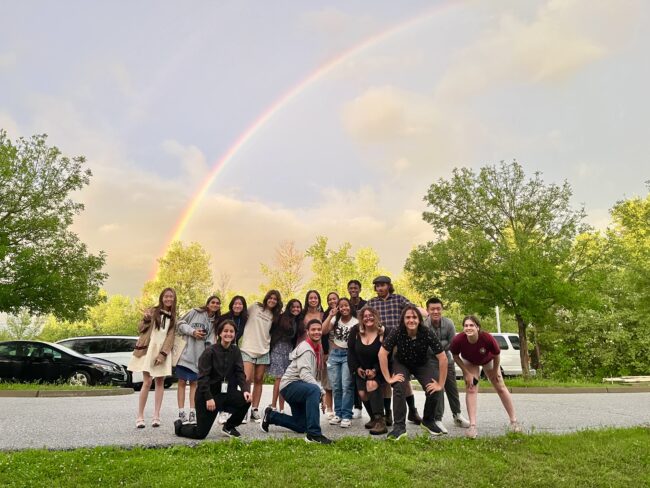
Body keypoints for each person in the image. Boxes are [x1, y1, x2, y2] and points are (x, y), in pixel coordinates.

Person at [379, 305, 448, 440]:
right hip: (402, 363)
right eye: (408, 317)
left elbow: (443, 358)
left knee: (434, 388)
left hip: (422, 364)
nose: (411, 320)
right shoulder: (397, 331)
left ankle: (428, 420)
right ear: (403, 320)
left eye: (414, 317)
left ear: (419, 319)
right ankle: (399, 427)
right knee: (399, 386)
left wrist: (441, 384)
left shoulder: (427, 332)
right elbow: (382, 353)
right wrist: (388, 378)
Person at [174, 320, 252, 439]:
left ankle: (229, 426)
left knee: (245, 400)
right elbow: (203, 378)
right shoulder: (209, 352)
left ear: (235, 334)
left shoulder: (235, 351)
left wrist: (245, 389)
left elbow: (239, 372)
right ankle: (179, 428)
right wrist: (209, 398)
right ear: (220, 333)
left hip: (225, 394)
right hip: (207, 396)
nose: (228, 334)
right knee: (200, 434)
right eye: (225, 331)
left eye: (231, 331)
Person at [260, 319, 332, 444]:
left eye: (319, 329)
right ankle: (314, 435)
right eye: (313, 330)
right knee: (314, 390)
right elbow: (305, 375)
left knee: (302, 425)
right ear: (307, 332)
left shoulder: (316, 347)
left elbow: (310, 376)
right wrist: (321, 392)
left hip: (300, 388)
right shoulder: (306, 348)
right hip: (290, 386)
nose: (317, 332)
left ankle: (271, 416)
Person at [451, 315, 521, 439]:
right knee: (471, 388)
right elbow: (455, 356)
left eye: (471, 325)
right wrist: (466, 372)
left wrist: (495, 371)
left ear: (478, 327)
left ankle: (514, 422)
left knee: (500, 387)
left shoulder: (487, 338)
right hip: (470, 362)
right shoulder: (458, 340)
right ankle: (472, 426)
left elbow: (496, 355)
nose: (468, 328)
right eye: (466, 325)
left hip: (488, 360)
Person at [367, 276, 421, 426]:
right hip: (381, 346)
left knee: (404, 379)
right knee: (385, 381)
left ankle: (412, 410)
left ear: (389, 286)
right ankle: (387, 414)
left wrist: (426, 314)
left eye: (383, 285)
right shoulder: (372, 303)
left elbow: (413, 310)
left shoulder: (398, 299)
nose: (380, 288)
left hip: (399, 344)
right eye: (377, 286)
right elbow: (364, 318)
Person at [128, 288, 177, 429]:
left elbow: (170, 337)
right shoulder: (152, 311)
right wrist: (146, 319)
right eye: (166, 296)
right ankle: (140, 416)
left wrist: (163, 354)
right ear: (162, 298)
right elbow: (140, 328)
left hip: (161, 351)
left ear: (174, 299)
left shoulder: (173, 317)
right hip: (148, 349)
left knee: (160, 382)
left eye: (171, 297)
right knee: (147, 381)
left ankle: (156, 416)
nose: (168, 299)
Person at [423, 297, 470, 433]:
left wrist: (440, 351)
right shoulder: (424, 326)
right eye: (433, 309)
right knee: (439, 388)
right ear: (428, 311)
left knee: (452, 388)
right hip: (431, 362)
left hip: (447, 360)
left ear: (441, 309)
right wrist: (438, 351)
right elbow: (425, 347)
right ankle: (438, 419)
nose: (436, 311)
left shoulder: (449, 323)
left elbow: (452, 343)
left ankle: (457, 415)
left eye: (438, 309)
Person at [175, 295, 221, 425]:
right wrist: (192, 331)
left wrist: (209, 354)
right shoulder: (195, 312)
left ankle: (192, 412)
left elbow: (211, 340)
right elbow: (180, 323)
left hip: (199, 358)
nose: (215, 304)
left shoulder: (214, 321)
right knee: (182, 382)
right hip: (186, 353)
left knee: (195, 384)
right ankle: (181, 412)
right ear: (207, 303)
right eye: (213, 302)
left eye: (218, 303)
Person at [240, 289, 283, 422]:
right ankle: (242, 409)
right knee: (246, 379)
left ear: (277, 302)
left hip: (264, 349)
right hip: (248, 348)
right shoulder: (255, 307)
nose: (272, 300)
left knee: (259, 379)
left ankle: (255, 409)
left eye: (275, 299)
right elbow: (240, 316)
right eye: (270, 298)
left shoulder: (275, 316)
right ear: (266, 298)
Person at [347, 306, 387, 435]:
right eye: (365, 316)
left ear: (376, 317)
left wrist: (375, 370)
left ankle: (380, 421)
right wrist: (357, 368)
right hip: (361, 368)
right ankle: (373, 418)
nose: (368, 318)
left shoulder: (383, 332)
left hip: (379, 368)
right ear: (361, 319)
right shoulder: (356, 331)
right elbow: (351, 352)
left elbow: (386, 355)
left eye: (371, 315)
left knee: (371, 384)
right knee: (362, 394)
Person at [323, 297, 357, 428]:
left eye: (346, 305)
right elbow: (324, 331)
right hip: (334, 355)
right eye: (341, 306)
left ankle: (347, 415)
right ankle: (338, 414)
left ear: (350, 307)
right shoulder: (335, 319)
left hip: (348, 355)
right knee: (336, 386)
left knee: (347, 385)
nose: (344, 308)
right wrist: (331, 315)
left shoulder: (356, 322)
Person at [269, 298, 302, 412]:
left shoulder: (297, 321)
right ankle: (274, 406)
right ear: (289, 308)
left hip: (289, 351)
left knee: (285, 379)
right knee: (279, 378)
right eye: (293, 307)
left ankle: (282, 408)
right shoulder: (282, 318)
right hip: (278, 348)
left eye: (298, 307)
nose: (296, 309)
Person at [347, 279, 366, 419]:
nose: (353, 290)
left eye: (355, 288)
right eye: (351, 288)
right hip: (351, 343)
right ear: (348, 290)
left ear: (360, 289)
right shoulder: (345, 304)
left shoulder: (366, 304)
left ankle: (374, 407)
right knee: (354, 374)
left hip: (366, 342)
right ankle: (357, 406)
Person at [320, 291, 339, 417]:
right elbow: (323, 333)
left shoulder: (344, 311)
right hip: (330, 348)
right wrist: (326, 352)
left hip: (343, 349)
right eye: (329, 299)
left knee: (340, 381)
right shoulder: (327, 314)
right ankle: (329, 408)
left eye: (334, 299)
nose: (332, 301)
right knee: (328, 380)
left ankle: (340, 409)